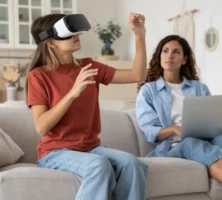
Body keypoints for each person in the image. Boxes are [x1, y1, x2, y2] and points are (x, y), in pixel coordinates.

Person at [26, 13, 148, 200]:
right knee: (99, 165)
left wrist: (139, 35)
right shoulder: (39, 76)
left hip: (89, 148)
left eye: (76, 32)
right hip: (55, 152)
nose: (77, 36)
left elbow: (137, 75)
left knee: (132, 164)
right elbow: (41, 126)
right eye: (70, 34)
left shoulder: (88, 66)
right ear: (51, 43)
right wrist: (72, 93)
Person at [135, 35, 222, 200]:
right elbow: (149, 131)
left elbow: (211, 118)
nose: (169, 56)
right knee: (190, 141)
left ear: (184, 59)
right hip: (172, 146)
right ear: (159, 56)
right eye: (165, 51)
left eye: (176, 52)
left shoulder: (199, 88)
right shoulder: (148, 90)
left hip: (204, 140)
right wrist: (174, 129)